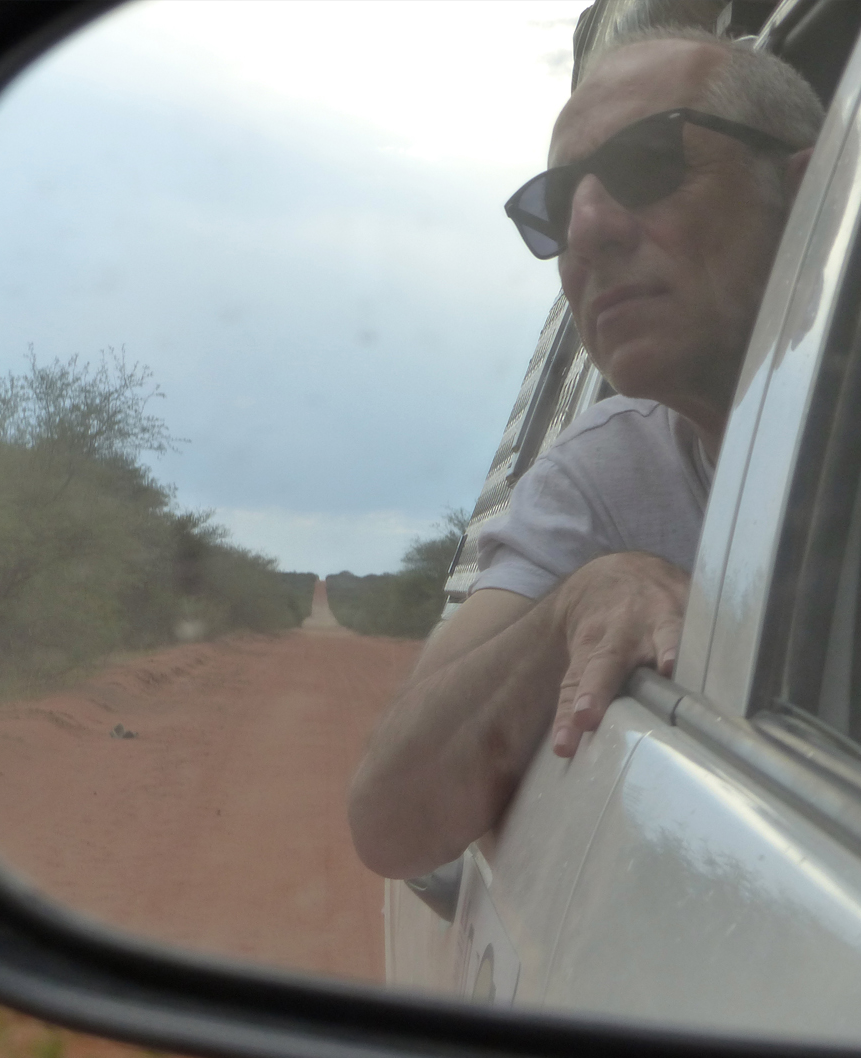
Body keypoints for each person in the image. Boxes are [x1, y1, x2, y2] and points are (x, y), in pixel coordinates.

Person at [347, 27, 823, 879]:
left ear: (806, 198)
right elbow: (393, 819)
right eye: (557, 204)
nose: (587, 230)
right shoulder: (612, 467)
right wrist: (579, 599)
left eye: (650, 162)